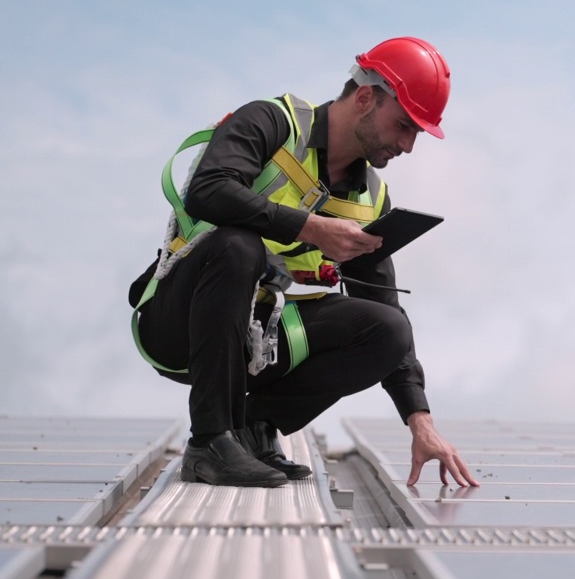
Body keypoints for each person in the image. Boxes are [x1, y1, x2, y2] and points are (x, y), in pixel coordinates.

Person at [128, 37, 478, 489]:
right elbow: (209, 189)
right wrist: (310, 228)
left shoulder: (371, 199)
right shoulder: (270, 122)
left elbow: (383, 304)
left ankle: (254, 427)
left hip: (257, 339)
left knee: (389, 330)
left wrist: (420, 422)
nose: (408, 145)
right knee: (239, 246)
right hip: (177, 325)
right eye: (405, 125)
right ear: (366, 97)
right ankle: (210, 443)